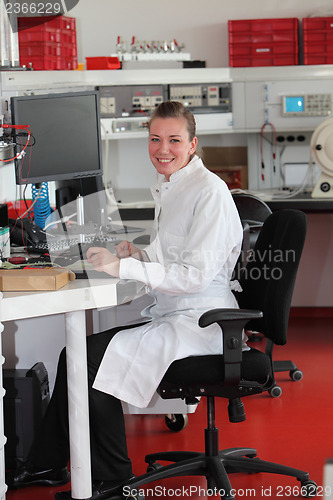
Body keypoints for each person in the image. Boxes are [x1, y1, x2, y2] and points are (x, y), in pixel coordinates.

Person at [6, 101, 246, 500]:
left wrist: (125, 270)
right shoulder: (174, 187)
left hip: (203, 322)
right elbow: (175, 258)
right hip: (179, 312)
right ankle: (47, 464)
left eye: (173, 140)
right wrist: (138, 256)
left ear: (192, 144)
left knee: (88, 359)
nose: (162, 149)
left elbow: (195, 276)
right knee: (76, 355)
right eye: (154, 139)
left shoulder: (209, 193)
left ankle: (112, 480)